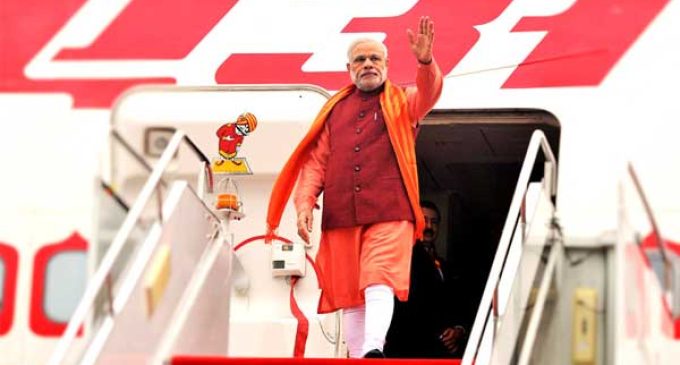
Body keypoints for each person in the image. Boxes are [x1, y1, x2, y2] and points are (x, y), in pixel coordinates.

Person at [266, 16, 443, 358]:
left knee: (379, 277)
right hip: (342, 214)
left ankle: (374, 348)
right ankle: (360, 354)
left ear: (387, 65)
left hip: (391, 209)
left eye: (375, 59)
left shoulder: (403, 101)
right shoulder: (334, 110)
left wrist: (425, 62)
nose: (368, 65)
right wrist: (304, 205)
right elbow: (316, 163)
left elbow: (429, 93)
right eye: (360, 60)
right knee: (349, 291)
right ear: (349, 68)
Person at [384, 200, 467, 358]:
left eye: (434, 222)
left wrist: (458, 330)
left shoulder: (446, 266)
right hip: (406, 351)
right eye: (424, 220)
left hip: (440, 354)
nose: (429, 226)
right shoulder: (400, 258)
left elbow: (459, 304)